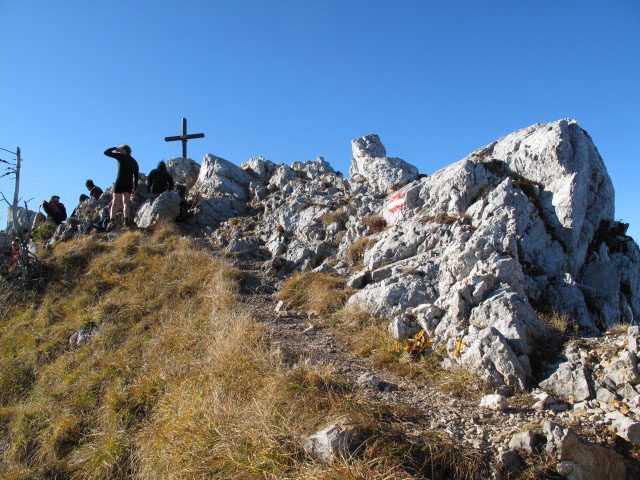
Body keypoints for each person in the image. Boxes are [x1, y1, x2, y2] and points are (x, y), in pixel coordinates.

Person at [103, 144, 139, 228]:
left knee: (115, 202)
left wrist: (115, 148)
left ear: (124, 150)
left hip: (119, 182)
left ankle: (112, 221)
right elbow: (136, 176)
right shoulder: (134, 162)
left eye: (121, 149)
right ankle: (126, 221)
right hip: (128, 183)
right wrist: (134, 188)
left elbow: (106, 152)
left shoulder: (120, 156)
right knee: (126, 203)